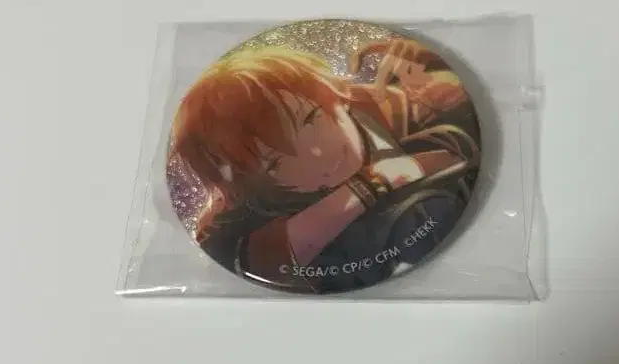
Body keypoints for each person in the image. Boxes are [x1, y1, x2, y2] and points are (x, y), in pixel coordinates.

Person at [169, 39, 480, 292]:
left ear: (336, 98)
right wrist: (373, 184)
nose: (320, 155)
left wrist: (435, 76)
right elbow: (238, 255)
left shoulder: (375, 104)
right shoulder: (239, 207)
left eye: (311, 119)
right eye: (275, 162)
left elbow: (457, 131)